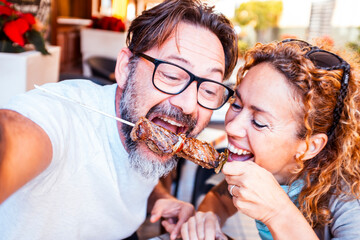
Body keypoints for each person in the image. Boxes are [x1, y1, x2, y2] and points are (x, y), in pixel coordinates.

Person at [0, 0, 238, 239]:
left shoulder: (145, 127)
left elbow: (123, 164)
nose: (188, 105)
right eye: (171, 74)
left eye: (208, 90)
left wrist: (160, 199)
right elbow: (15, 138)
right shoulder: (61, 116)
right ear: (125, 67)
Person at [180, 39, 360, 240]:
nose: (231, 127)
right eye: (236, 104)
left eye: (258, 122)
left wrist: (278, 213)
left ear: (310, 146)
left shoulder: (349, 204)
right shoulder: (270, 169)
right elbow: (221, 199)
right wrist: (208, 218)